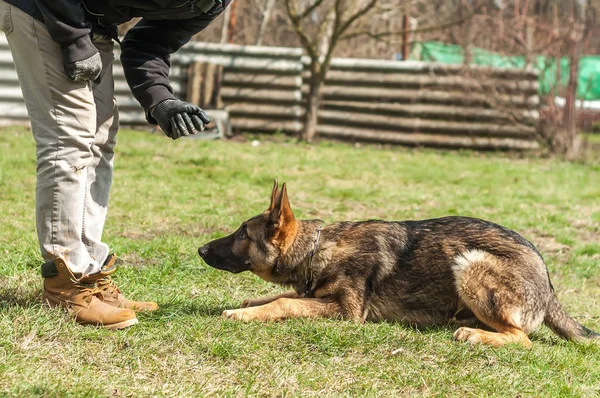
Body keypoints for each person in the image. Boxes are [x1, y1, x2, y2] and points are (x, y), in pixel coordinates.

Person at [0, 0, 229, 329]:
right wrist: (74, 38)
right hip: (44, 9)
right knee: (70, 136)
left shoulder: (210, 4)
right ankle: (66, 279)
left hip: (91, 22)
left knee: (100, 139)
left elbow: (149, 43)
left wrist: (160, 100)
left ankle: (89, 272)